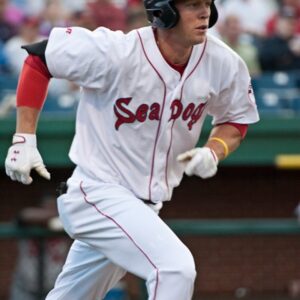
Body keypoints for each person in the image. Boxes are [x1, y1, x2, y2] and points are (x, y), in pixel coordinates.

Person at [4, 0, 259, 299]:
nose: (205, 12)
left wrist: (214, 150)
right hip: (97, 193)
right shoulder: (117, 51)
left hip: (143, 208)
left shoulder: (222, 62)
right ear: (163, 11)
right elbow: (39, 58)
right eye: (192, 4)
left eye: (207, 3)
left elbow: (236, 118)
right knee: (174, 268)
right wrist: (24, 137)